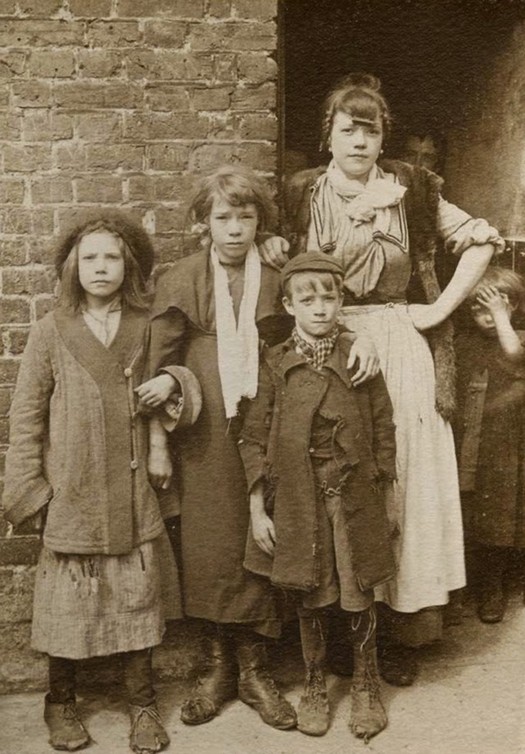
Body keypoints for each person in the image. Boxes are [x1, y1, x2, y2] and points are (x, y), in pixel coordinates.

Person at [260, 72, 503, 685]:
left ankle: (397, 631)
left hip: (397, 340)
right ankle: (338, 631)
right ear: (329, 135)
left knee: (400, 480)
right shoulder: (300, 193)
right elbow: (276, 256)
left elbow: (481, 242)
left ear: (382, 137)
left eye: (371, 132)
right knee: (336, 475)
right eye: (349, 130)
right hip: (326, 338)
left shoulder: (413, 188)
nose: (360, 143)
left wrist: (436, 310)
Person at [1, 213, 191, 754]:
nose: (100, 267)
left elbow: (182, 372)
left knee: (137, 591)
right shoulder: (50, 330)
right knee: (68, 599)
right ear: (72, 267)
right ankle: (60, 700)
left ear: (127, 264)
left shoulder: (147, 325)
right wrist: (30, 490)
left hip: (130, 489)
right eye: (90, 258)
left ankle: (142, 700)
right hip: (74, 488)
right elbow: (26, 417)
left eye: (111, 257)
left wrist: (169, 384)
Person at [136, 165, 297, 732]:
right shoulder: (182, 278)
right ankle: (216, 666)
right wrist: (158, 442)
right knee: (209, 541)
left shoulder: (277, 274)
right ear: (204, 223)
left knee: (264, 535)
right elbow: (157, 366)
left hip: (265, 417)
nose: (235, 229)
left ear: (261, 221)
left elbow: (296, 342)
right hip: (200, 429)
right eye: (222, 218)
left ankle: (256, 668)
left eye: (246, 217)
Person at [238, 253, 396, 741]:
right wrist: (256, 508)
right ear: (288, 304)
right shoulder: (275, 362)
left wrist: (388, 495)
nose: (320, 307)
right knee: (310, 588)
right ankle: (314, 683)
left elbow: (383, 428)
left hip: (353, 494)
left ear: (342, 299)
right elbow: (254, 438)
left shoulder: (358, 357)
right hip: (298, 496)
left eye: (329, 296)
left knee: (357, 586)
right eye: (307, 299)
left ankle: (367, 683)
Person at [455, 266, 525, 624]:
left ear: (512, 306)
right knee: (469, 511)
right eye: (477, 308)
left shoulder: (517, 337)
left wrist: (501, 319)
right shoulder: (463, 343)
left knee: (500, 513)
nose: (484, 316)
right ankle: (465, 584)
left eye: (493, 307)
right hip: (471, 442)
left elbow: (514, 355)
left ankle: (493, 586)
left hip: (507, 445)